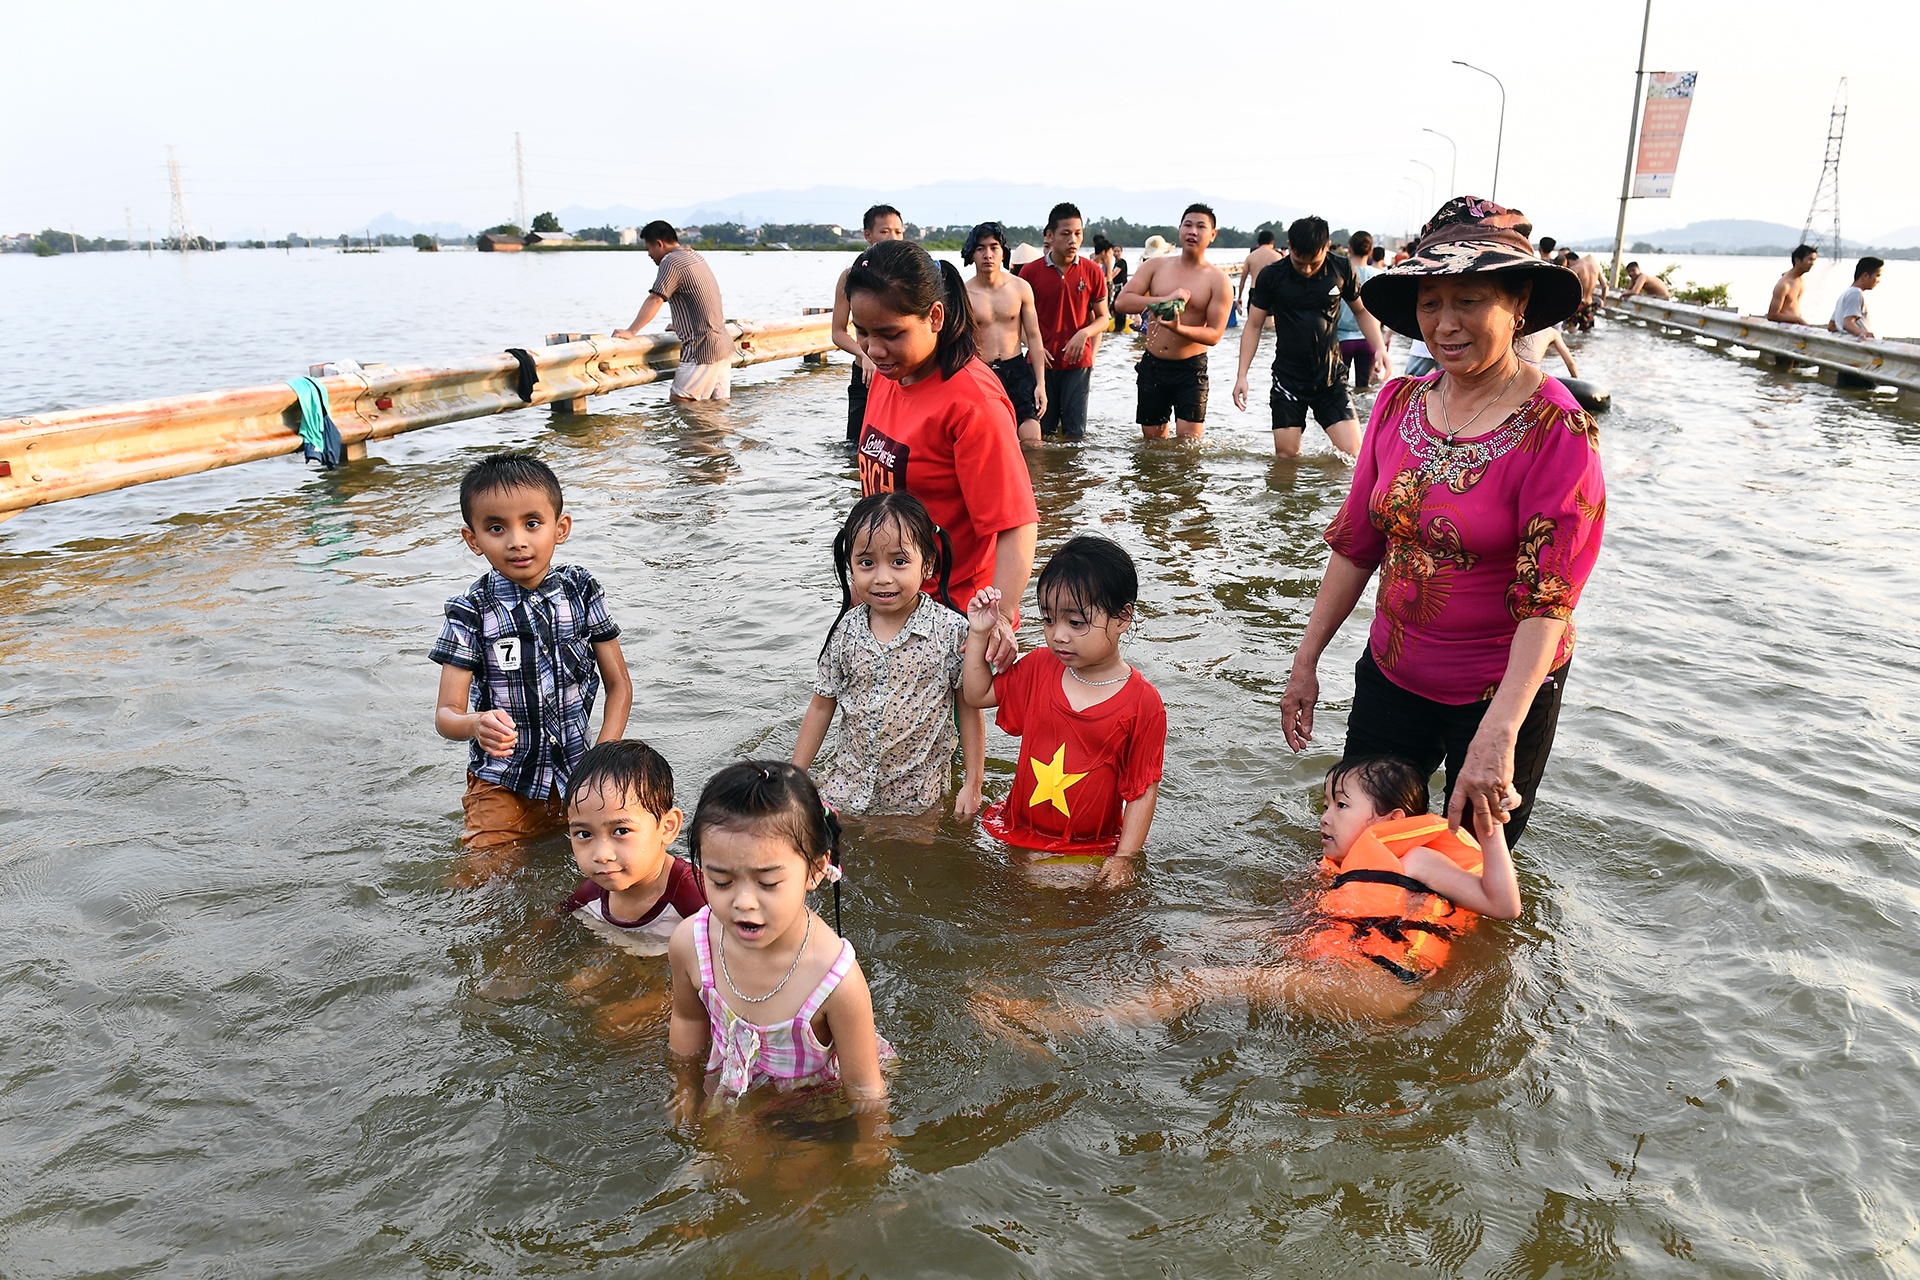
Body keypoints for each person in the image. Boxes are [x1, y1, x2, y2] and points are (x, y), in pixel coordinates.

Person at [1284, 196, 1606, 849]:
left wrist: (1501, 730)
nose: (1446, 323)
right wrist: (1306, 659)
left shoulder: (1557, 429)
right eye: (1430, 303)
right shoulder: (1397, 403)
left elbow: (1549, 599)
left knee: (1467, 871)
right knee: (1354, 852)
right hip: (1392, 674)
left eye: (1469, 301)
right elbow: (1356, 545)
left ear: (1518, 303)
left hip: (1500, 693)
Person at [979, 757, 1521, 1028]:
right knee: (1204, 936)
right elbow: (1320, 927)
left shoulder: (1416, 858)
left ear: (1392, 821)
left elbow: (1503, 905)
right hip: (1346, 967)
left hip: (1374, 985)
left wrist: (1491, 828)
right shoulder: (1347, 872)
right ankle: (1126, 991)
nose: (1325, 816)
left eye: (1341, 806)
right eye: (1325, 804)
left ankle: (1067, 1024)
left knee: (1208, 981)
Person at [846, 239, 1038, 674]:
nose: (874, 350)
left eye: (891, 334)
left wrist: (1001, 618)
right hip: (887, 598)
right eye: (864, 332)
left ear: (935, 317)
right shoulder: (888, 376)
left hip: (952, 614)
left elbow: (1016, 524)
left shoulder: (973, 403)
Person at [666, 761, 892, 1120]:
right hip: (734, 1083)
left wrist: (867, 1147)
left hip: (812, 1105)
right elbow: (687, 1021)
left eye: (768, 883)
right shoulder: (690, 944)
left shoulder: (836, 982)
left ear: (815, 870)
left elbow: (865, 1091)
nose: (744, 902)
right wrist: (685, 1088)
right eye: (721, 882)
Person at [431, 453, 632, 856]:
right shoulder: (471, 611)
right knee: (484, 879)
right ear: (473, 539)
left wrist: (600, 760)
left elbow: (620, 686)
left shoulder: (581, 591)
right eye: (496, 528)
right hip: (501, 784)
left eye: (532, 523)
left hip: (577, 777)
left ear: (561, 528)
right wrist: (475, 723)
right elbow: (446, 715)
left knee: (605, 870)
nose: (517, 541)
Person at [961, 537, 1166, 890]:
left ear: (1122, 618)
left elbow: (1142, 790)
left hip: (1088, 849)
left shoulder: (1142, 703)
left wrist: (1124, 858)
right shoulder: (1041, 667)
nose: (1058, 635)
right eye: (1048, 619)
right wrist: (979, 633)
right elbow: (977, 694)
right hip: (1019, 830)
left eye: (1075, 622)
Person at [794, 492, 984, 818]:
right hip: (847, 786)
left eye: (899, 562)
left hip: (917, 794)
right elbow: (821, 705)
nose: (882, 578)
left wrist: (973, 783)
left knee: (911, 850)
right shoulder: (845, 631)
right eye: (867, 563)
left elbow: (969, 708)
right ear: (850, 567)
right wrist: (794, 777)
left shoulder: (951, 631)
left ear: (927, 564)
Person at [1232, 215, 1389, 459]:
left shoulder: (1341, 268)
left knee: (1352, 454)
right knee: (1286, 457)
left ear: (1327, 247)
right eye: (1299, 262)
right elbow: (1253, 326)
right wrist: (1242, 375)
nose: (1306, 269)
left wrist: (1379, 346)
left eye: (1313, 263)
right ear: (1289, 247)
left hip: (1331, 378)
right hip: (1288, 379)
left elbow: (1360, 311)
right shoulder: (1272, 276)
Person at [559, 739, 706, 956]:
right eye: (584, 834)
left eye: (621, 831)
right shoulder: (592, 894)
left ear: (667, 827)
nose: (601, 855)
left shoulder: (696, 897)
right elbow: (556, 920)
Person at [1114, 203, 1234, 440]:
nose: (1193, 232)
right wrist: (1163, 299)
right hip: (1153, 365)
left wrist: (1179, 328)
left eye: (1201, 227)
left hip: (1191, 369)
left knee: (1188, 447)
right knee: (1152, 445)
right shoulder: (1155, 266)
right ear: (1179, 229)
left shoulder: (1218, 280)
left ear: (1213, 234)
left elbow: (1214, 335)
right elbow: (1122, 302)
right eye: (1187, 225)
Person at [614, 222, 734, 402]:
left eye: (648, 249)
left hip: (701, 348)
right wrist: (681, 324)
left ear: (659, 244)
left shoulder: (671, 261)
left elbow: (656, 299)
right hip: (722, 345)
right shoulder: (694, 256)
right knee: (716, 408)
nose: (649, 255)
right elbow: (701, 298)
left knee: (681, 400)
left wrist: (631, 331)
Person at [1019, 202, 1109, 440]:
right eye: (1066, 233)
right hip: (1041, 364)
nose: (1073, 240)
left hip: (1078, 364)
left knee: (1075, 436)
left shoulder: (1092, 271)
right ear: (1050, 235)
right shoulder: (1029, 273)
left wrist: (1084, 333)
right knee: (1042, 434)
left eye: (1078, 234)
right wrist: (1034, 347)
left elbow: (1104, 318)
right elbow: (1018, 323)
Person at [963, 221, 1049, 444]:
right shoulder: (964, 294)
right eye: (980, 248)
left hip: (1017, 369)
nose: (988, 255)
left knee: (1032, 439)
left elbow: (1034, 337)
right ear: (972, 254)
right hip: (982, 372)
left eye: (994, 247)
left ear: (1003, 252)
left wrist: (1041, 384)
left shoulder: (1020, 287)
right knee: (993, 441)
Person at [832, 204, 906, 441]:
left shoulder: (909, 275)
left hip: (902, 373)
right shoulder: (851, 276)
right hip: (866, 374)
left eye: (898, 232)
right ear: (868, 235)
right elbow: (838, 332)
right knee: (857, 443)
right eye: (885, 231)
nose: (893, 237)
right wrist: (862, 354)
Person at [1336, 231, 1382, 390]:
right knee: (1364, 389)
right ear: (1370, 251)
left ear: (1349, 248)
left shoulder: (1339, 274)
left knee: (1339, 389)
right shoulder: (1378, 276)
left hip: (1341, 339)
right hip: (1369, 340)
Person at [1828, 257, 1884, 339]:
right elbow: (1848, 323)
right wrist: (1863, 333)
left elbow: (1832, 326)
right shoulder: (1856, 294)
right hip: (1856, 344)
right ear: (1865, 275)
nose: (1879, 280)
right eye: (1877, 275)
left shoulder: (1846, 293)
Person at [1766, 244, 1819, 325]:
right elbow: (1772, 315)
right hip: (1785, 327)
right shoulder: (1784, 285)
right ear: (1797, 260)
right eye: (1810, 259)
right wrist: (1798, 320)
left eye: (1814, 260)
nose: (1812, 263)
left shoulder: (1799, 279)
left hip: (1796, 325)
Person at [1236, 229, 1283, 311]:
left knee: (1253, 318)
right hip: (1271, 292)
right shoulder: (1277, 256)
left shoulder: (1250, 257)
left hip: (1255, 291)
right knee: (1270, 318)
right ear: (1272, 242)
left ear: (1258, 242)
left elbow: (1243, 280)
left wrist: (1239, 296)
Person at [1092, 233, 1130, 330]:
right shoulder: (1094, 267)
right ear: (1104, 253)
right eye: (1110, 253)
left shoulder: (1102, 265)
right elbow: (1107, 281)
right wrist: (1109, 265)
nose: (1112, 255)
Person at [1564, 252, 1604, 333]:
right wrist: (1603, 300)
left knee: (1571, 330)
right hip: (1589, 304)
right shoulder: (1596, 268)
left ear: (1569, 261)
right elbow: (1605, 286)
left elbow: (1567, 288)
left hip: (1577, 303)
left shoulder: (1575, 268)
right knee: (1587, 331)